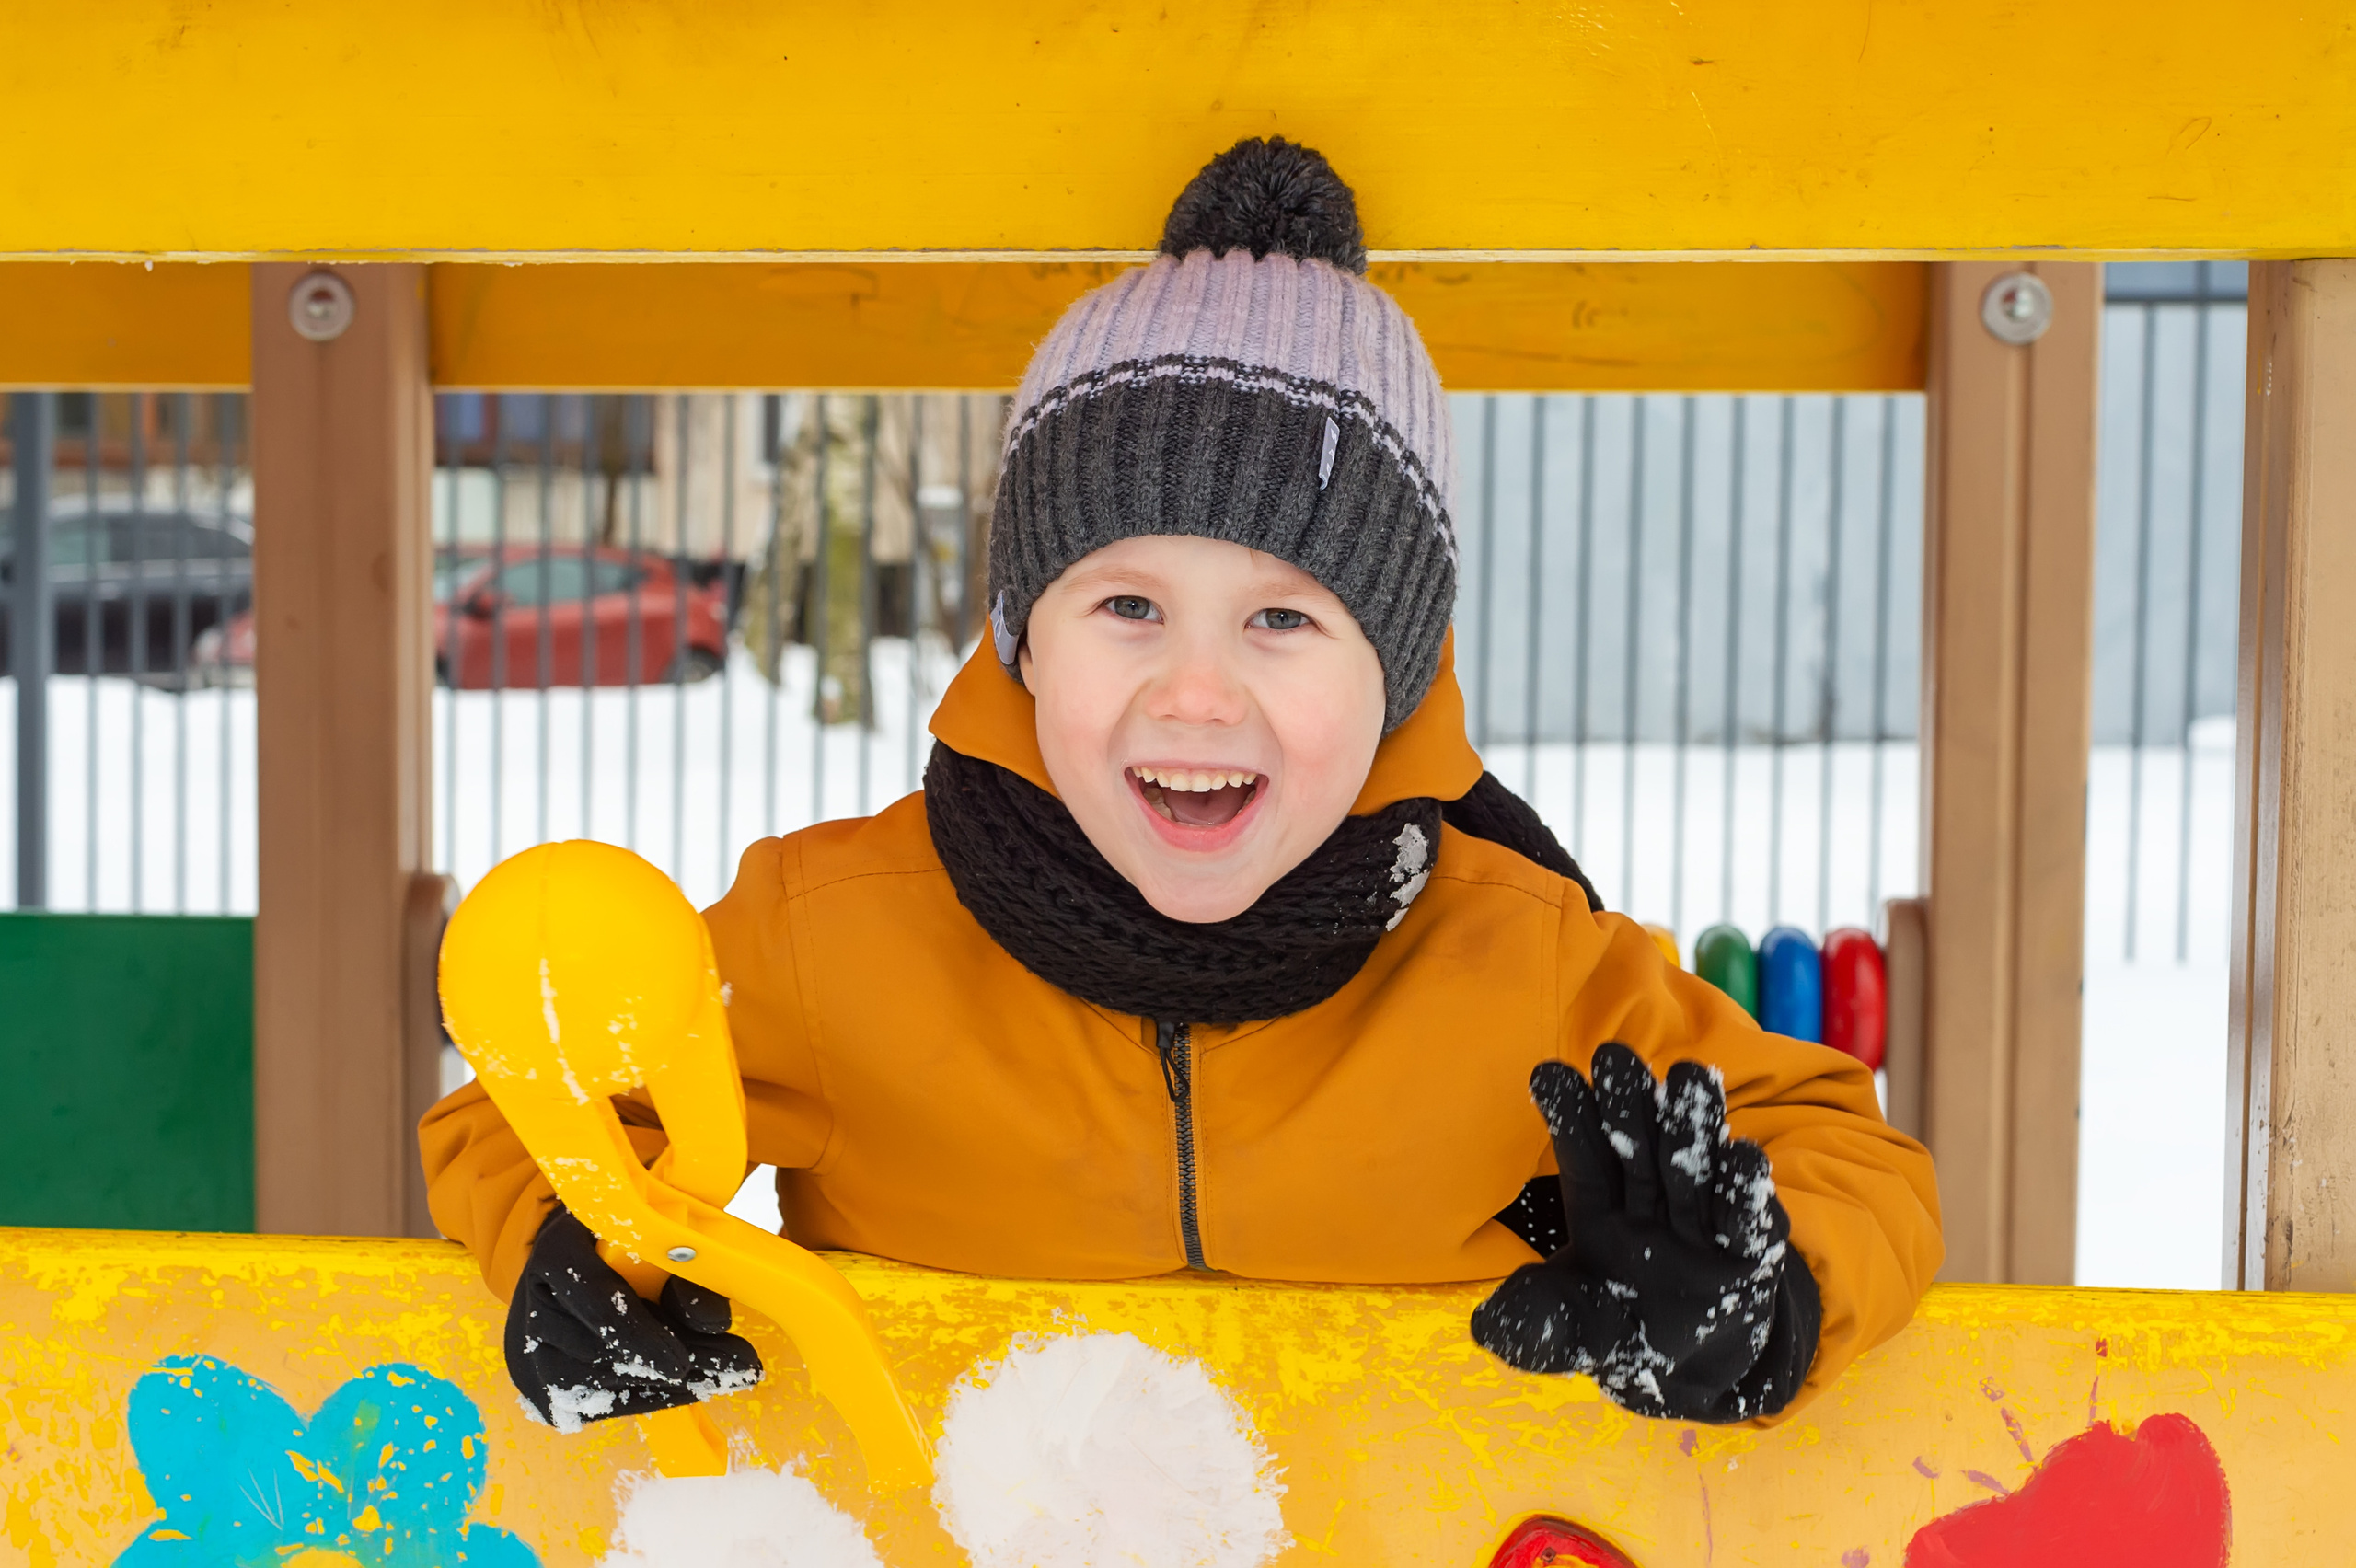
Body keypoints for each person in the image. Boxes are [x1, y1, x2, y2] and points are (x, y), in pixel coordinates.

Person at [422, 137, 1941, 1436]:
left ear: (1397, 675)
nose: (1197, 692)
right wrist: (564, 1243)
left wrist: (1767, 1292)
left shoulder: (1517, 960)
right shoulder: (838, 936)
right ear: (1024, 641)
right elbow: (522, 1114)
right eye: (1126, 608)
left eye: (1285, 620)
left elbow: (1847, 1149)